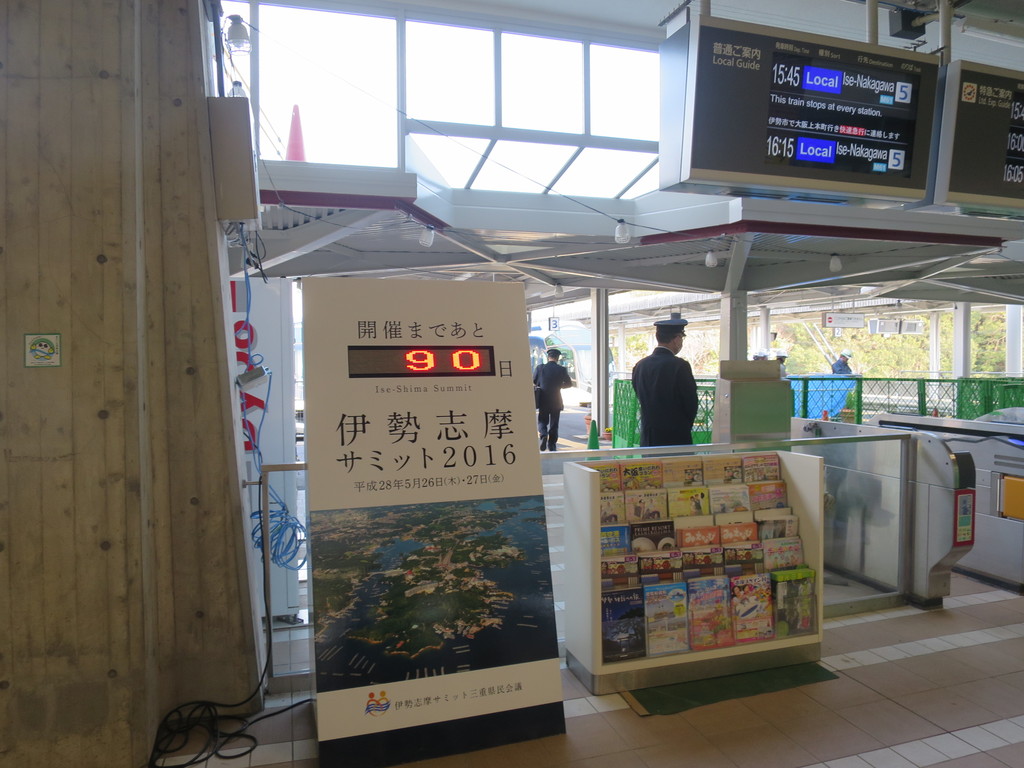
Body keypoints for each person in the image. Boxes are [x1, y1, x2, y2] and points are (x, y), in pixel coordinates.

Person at [631, 312, 699, 447]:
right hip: (675, 437)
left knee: (651, 468)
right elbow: (690, 402)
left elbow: (639, 394)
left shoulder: (640, 365)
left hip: (648, 436)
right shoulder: (680, 366)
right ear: (677, 338)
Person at [533, 348, 573, 451]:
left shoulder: (540, 368)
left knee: (542, 421)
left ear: (548, 357)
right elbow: (569, 384)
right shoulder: (562, 369)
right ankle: (552, 444)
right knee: (554, 423)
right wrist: (559, 386)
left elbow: (534, 381)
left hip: (543, 399)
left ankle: (543, 435)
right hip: (556, 399)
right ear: (558, 358)